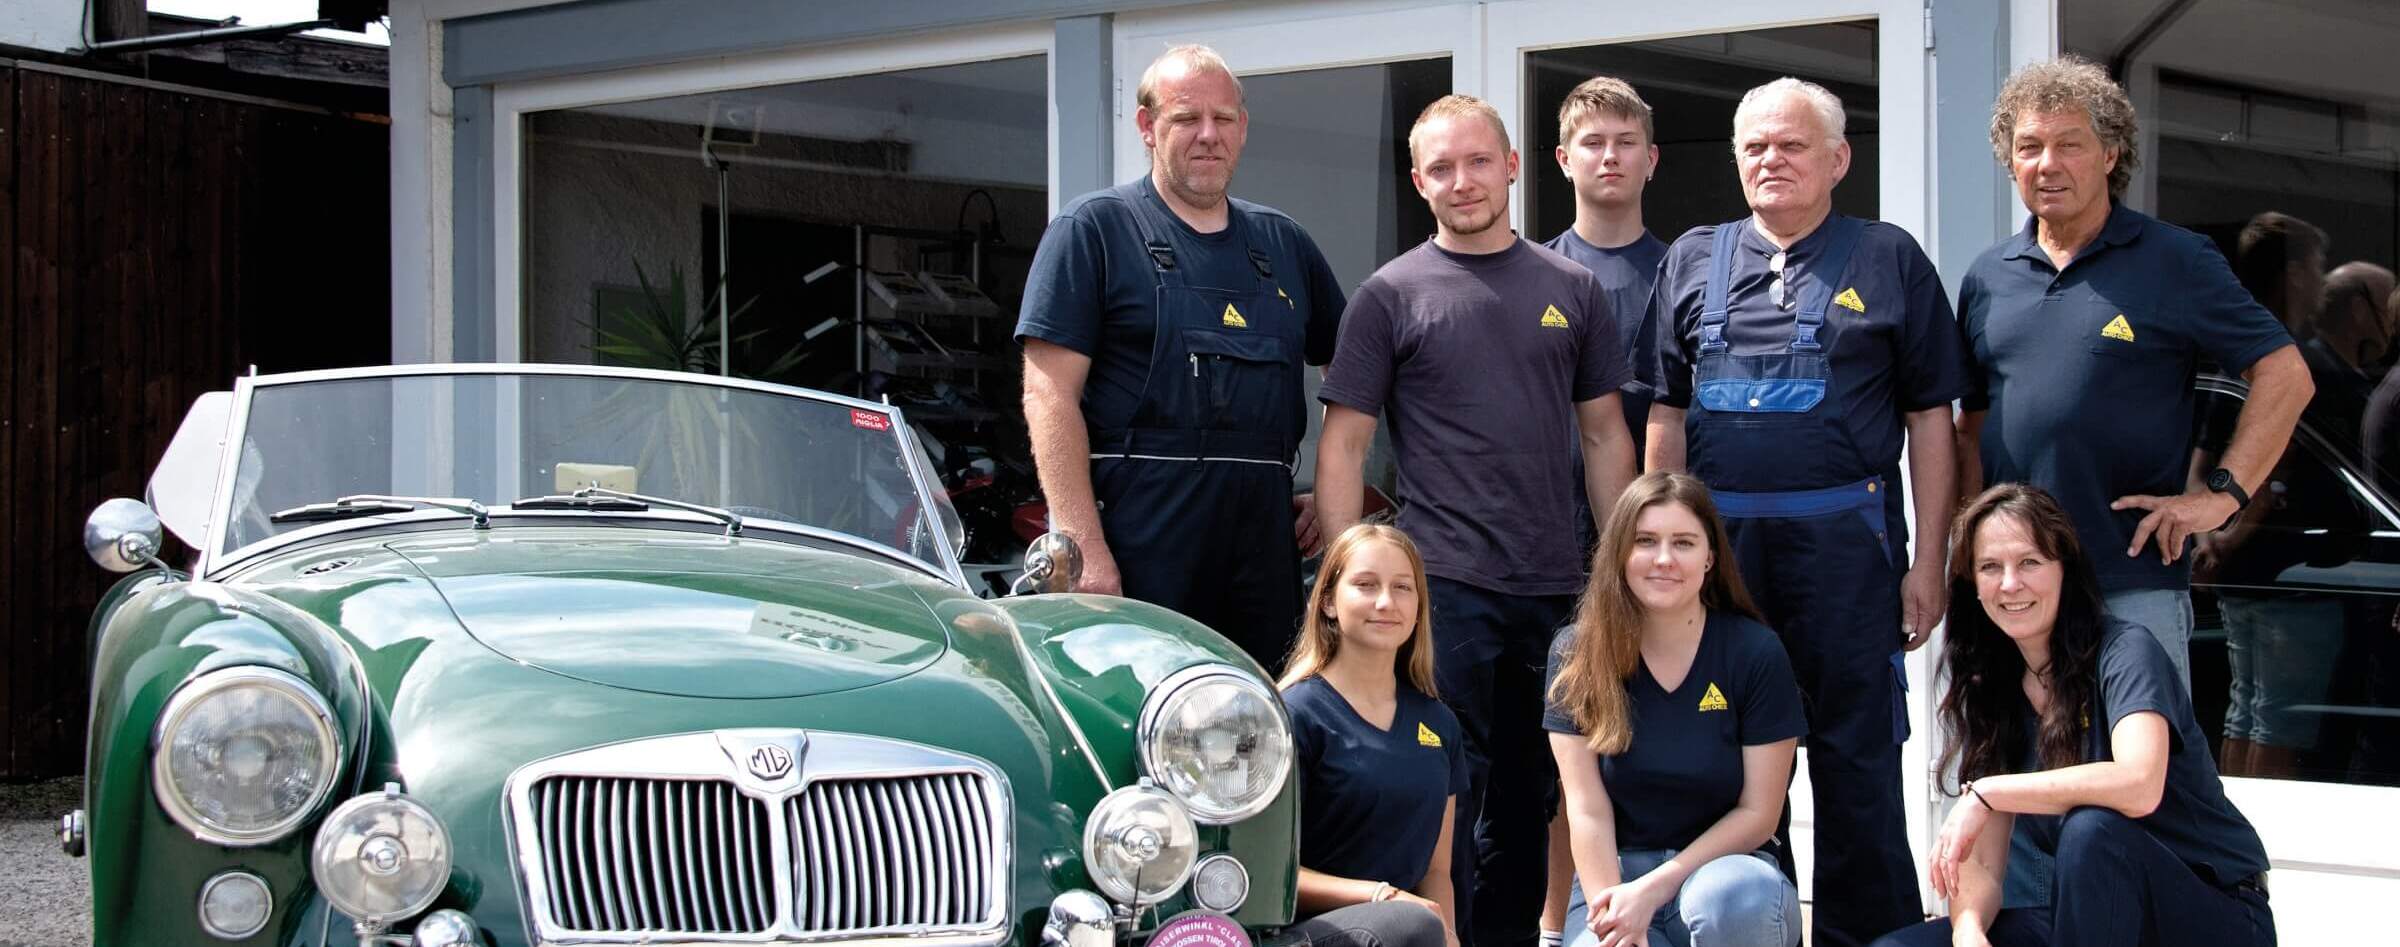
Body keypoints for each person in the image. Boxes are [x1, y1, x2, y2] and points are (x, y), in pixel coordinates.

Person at [1642, 77, 1962, 947]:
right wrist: (1657, 554)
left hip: (1847, 554)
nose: (1771, 160)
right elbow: (1664, 417)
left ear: (1838, 159)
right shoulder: (1693, 259)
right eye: (1755, 147)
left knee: (1857, 768)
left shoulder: (1889, 258)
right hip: (1722, 560)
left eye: (1791, 144)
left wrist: (1928, 560)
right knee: (1732, 766)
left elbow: (1932, 419)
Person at [1316, 93, 1641, 947]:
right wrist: (1346, 579)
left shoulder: (1570, 288)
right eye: (1442, 168)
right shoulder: (1388, 296)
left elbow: (1606, 432)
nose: (1463, 181)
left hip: (1555, 584)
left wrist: (1619, 571)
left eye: (1478, 162)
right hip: (1441, 591)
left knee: (1534, 798)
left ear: (1514, 167)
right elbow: (1345, 446)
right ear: (1419, 181)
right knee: (1445, 791)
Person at [1954, 57, 2311, 691]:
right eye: (2029, 147)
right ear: (2010, 160)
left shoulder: (2176, 260)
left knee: (2142, 778)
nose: (2047, 164)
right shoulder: (1988, 275)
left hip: (2130, 582)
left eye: (2070, 144)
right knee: (2018, 776)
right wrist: (1966, 550)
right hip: (2012, 588)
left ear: (2113, 153)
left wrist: (2221, 497)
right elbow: (1972, 424)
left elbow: (2286, 376)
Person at [1015, 44, 1348, 671]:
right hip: (1142, 531)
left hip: (1263, 540)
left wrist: (1331, 496)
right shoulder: (1093, 230)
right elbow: (1047, 394)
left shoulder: (1283, 243)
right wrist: (1083, 546)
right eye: (1185, 119)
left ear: (1243, 128)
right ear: (1146, 127)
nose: (1208, 136)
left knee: (1265, 712)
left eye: (1223, 119)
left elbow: (1349, 376)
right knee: (1142, 711)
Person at [1870, 484, 2274, 947]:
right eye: (1989, 567)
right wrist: (1968, 930)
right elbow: (1982, 863)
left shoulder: (2125, 651)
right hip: (2100, 921)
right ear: (1972, 585)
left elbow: (2139, 784)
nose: (2009, 583)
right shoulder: (1993, 683)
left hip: (2213, 916)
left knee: (2092, 830)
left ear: (2065, 569)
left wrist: (1987, 792)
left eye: (2029, 563)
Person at [1545, 471, 1805, 947]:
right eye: (1645, 541)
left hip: (1727, 880)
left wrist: (1657, 886)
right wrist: (1617, 916)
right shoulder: (1576, 653)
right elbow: (1587, 811)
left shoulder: (1755, 653)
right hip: (1615, 881)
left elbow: (1758, 814)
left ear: (1710, 558)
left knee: (1728, 899)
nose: (1664, 559)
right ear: (1619, 552)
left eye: (1683, 542)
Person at [1537, 77, 1670, 947]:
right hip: (1548, 542)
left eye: (1626, 141)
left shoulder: (1686, 269)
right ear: (1562, 160)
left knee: (1655, 740)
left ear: (1652, 159)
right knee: (1560, 746)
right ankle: (1555, 925)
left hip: (1652, 545)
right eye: (1593, 142)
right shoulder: (1531, 270)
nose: (1610, 155)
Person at [2205, 212, 2348, 780]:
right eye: (2315, 266)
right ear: (2291, 273)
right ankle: (2258, 847)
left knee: (2249, 709)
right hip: (2285, 565)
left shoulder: (2231, 351)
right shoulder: (2281, 360)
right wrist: (2234, 531)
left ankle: (2236, 832)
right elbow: (2274, 456)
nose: (2321, 281)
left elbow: (2205, 450)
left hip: (2246, 562)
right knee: (2277, 718)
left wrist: (2214, 540)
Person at [1281, 523, 1466, 947]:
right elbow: (1266, 872)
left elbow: (1436, 873)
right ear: (1327, 601)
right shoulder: (1295, 714)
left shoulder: (1439, 724)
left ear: (1419, 607)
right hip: (1309, 933)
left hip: (1409, 932)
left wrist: (1449, 936)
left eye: (1403, 588)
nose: (1386, 602)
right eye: (1366, 584)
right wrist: (1382, 897)